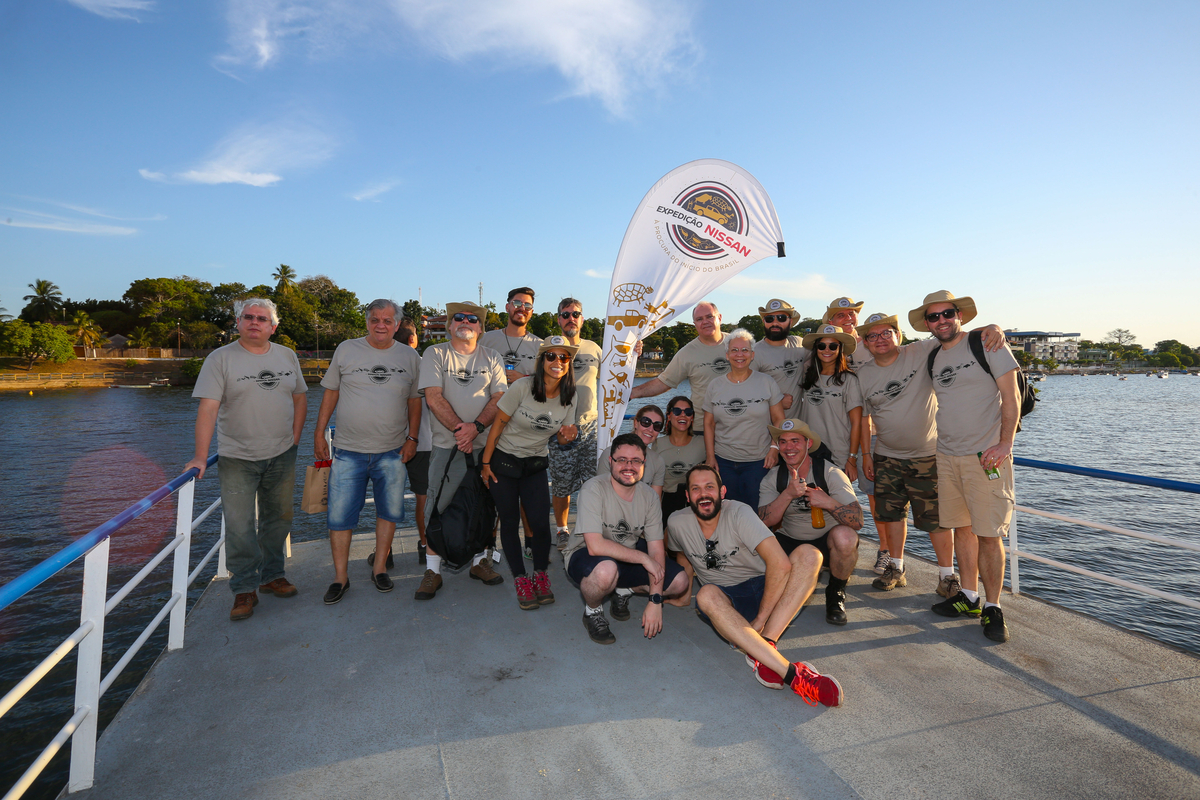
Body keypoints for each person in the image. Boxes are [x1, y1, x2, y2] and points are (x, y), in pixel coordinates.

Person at [667, 465, 844, 707]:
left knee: (810, 555)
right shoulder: (676, 523)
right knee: (705, 595)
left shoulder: (739, 512)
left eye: (709, 487)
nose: (703, 494)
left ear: (722, 491)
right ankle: (793, 675)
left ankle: (765, 643)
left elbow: (780, 565)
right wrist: (683, 596)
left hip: (767, 595)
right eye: (696, 489)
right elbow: (683, 556)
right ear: (687, 496)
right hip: (728, 607)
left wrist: (761, 620)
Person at [856, 312, 1007, 595]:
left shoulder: (920, 351)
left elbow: (953, 334)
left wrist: (991, 327)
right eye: (872, 335)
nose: (880, 339)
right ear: (865, 342)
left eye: (886, 332)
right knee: (892, 516)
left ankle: (947, 577)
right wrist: (866, 455)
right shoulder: (863, 374)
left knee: (938, 521)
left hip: (927, 456)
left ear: (898, 335)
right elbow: (864, 418)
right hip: (886, 456)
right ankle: (896, 567)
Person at [185, 298, 307, 622]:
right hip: (238, 457)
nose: (255, 322)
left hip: (282, 454)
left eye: (262, 318)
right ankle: (243, 588)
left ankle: (272, 576)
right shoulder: (220, 359)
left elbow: (299, 398)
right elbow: (208, 409)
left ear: (273, 327)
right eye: (248, 317)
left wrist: (295, 439)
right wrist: (200, 456)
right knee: (239, 527)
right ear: (238, 323)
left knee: (278, 520)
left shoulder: (287, 355)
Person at [911, 291, 1020, 642]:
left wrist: (1005, 444)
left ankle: (993, 607)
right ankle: (969, 597)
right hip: (946, 455)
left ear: (960, 315)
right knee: (962, 528)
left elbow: (1012, 396)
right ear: (927, 323)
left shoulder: (986, 343)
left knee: (989, 534)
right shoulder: (932, 355)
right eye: (933, 316)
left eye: (947, 313)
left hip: (985, 457)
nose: (941, 320)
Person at [314, 300, 421, 604]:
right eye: (375, 320)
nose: (381, 325)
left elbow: (415, 401)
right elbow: (331, 392)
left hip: (393, 451)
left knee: (389, 513)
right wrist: (319, 432)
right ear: (367, 322)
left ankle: (379, 569)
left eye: (387, 321)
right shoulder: (346, 349)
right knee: (340, 517)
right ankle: (340, 577)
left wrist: (412, 438)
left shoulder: (410, 357)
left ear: (397, 325)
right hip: (348, 451)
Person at [415, 300, 508, 600]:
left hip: (487, 448)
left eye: (472, 319)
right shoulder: (435, 353)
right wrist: (461, 431)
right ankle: (433, 571)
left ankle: (479, 563)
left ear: (480, 328)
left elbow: (499, 397)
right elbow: (433, 397)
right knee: (438, 506)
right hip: (447, 447)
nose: (465, 322)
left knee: (484, 506)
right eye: (459, 317)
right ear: (449, 324)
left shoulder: (492, 356)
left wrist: (476, 428)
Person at [480, 336, 579, 610]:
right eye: (551, 356)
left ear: (569, 363)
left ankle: (540, 575)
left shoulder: (570, 395)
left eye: (564, 357)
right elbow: (497, 426)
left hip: (535, 464)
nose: (557, 361)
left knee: (540, 523)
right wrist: (485, 464)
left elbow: (562, 439)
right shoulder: (522, 387)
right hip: (504, 462)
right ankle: (521, 579)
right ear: (541, 360)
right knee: (510, 521)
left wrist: (568, 436)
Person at [563, 433, 689, 645]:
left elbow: (656, 549)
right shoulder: (593, 488)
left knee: (679, 581)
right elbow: (595, 546)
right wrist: (644, 558)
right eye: (622, 459)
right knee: (606, 570)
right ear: (610, 461)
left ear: (644, 464)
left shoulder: (649, 496)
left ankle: (623, 590)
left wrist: (655, 600)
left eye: (635, 461)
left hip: (626, 554)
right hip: (585, 554)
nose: (628, 466)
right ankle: (593, 611)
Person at [757, 420, 861, 625]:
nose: (789, 447)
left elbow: (857, 520)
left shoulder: (830, 473)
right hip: (790, 540)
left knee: (846, 537)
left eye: (795, 441)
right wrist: (787, 494)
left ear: (808, 443)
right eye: (783, 442)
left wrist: (828, 502)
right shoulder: (773, 477)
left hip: (825, 541)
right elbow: (763, 520)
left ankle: (836, 593)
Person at [480, 287, 543, 558]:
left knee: (525, 495)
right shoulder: (487, 339)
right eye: (517, 303)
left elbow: (548, 383)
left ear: (532, 311)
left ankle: (529, 541)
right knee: (493, 492)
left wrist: (524, 379)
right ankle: (489, 544)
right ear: (507, 307)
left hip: (523, 428)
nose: (522, 308)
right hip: (490, 423)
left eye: (527, 305)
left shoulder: (540, 345)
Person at [701, 328, 784, 510]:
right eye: (735, 350)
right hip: (723, 462)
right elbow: (708, 423)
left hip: (759, 462)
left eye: (745, 350)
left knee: (757, 513)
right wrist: (710, 456)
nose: (740, 354)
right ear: (727, 355)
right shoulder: (715, 386)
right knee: (727, 512)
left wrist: (774, 449)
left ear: (752, 355)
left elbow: (779, 419)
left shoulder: (767, 382)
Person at [547, 298, 603, 549]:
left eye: (576, 314)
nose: (571, 318)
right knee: (561, 484)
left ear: (582, 319)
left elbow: (617, 372)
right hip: (560, 428)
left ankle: (589, 528)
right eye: (565, 314)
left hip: (591, 427)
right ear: (559, 319)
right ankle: (562, 530)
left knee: (592, 483)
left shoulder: (595, 348)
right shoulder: (550, 346)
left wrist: (633, 351)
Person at [629, 301, 727, 433]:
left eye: (709, 316)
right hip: (702, 429)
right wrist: (631, 394)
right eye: (699, 319)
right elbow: (663, 383)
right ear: (695, 324)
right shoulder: (687, 353)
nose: (705, 322)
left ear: (719, 317)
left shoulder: (739, 345)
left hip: (739, 428)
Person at [799, 324, 863, 491]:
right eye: (822, 346)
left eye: (833, 346)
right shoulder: (807, 376)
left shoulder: (849, 380)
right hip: (809, 453)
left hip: (838, 455)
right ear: (816, 349)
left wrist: (852, 459)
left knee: (838, 503)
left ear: (840, 349)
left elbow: (857, 423)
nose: (827, 350)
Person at [396, 317, 431, 565]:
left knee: (386, 500)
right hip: (423, 442)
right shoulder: (424, 365)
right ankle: (425, 546)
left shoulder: (387, 365)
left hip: (389, 442)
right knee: (424, 498)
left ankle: (385, 552)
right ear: (412, 339)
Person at [653, 396, 706, 521]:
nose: (683, 415)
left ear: (692, 417)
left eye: (688, 412)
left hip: (693, 504)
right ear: (669, 416)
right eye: (677, 411)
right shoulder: (658, 444)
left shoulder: (703, 444)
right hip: (665, 502)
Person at [596, 404, 666, 497]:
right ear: (636, 423)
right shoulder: (609, 454)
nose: (650, 429)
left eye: (657, 426)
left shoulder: (658, 462)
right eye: (646, 422)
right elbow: (602, 493)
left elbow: (655, 500)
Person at [753, 298, 808, 411]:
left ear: (790, 321)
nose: (775, 323)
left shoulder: (800, 343)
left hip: (798, 421)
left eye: (781, 318)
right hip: (769, 421)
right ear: (764, 321)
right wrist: (775, 402)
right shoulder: (754, 352)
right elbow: (744, 390)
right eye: (769, 319)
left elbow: (826, 355)